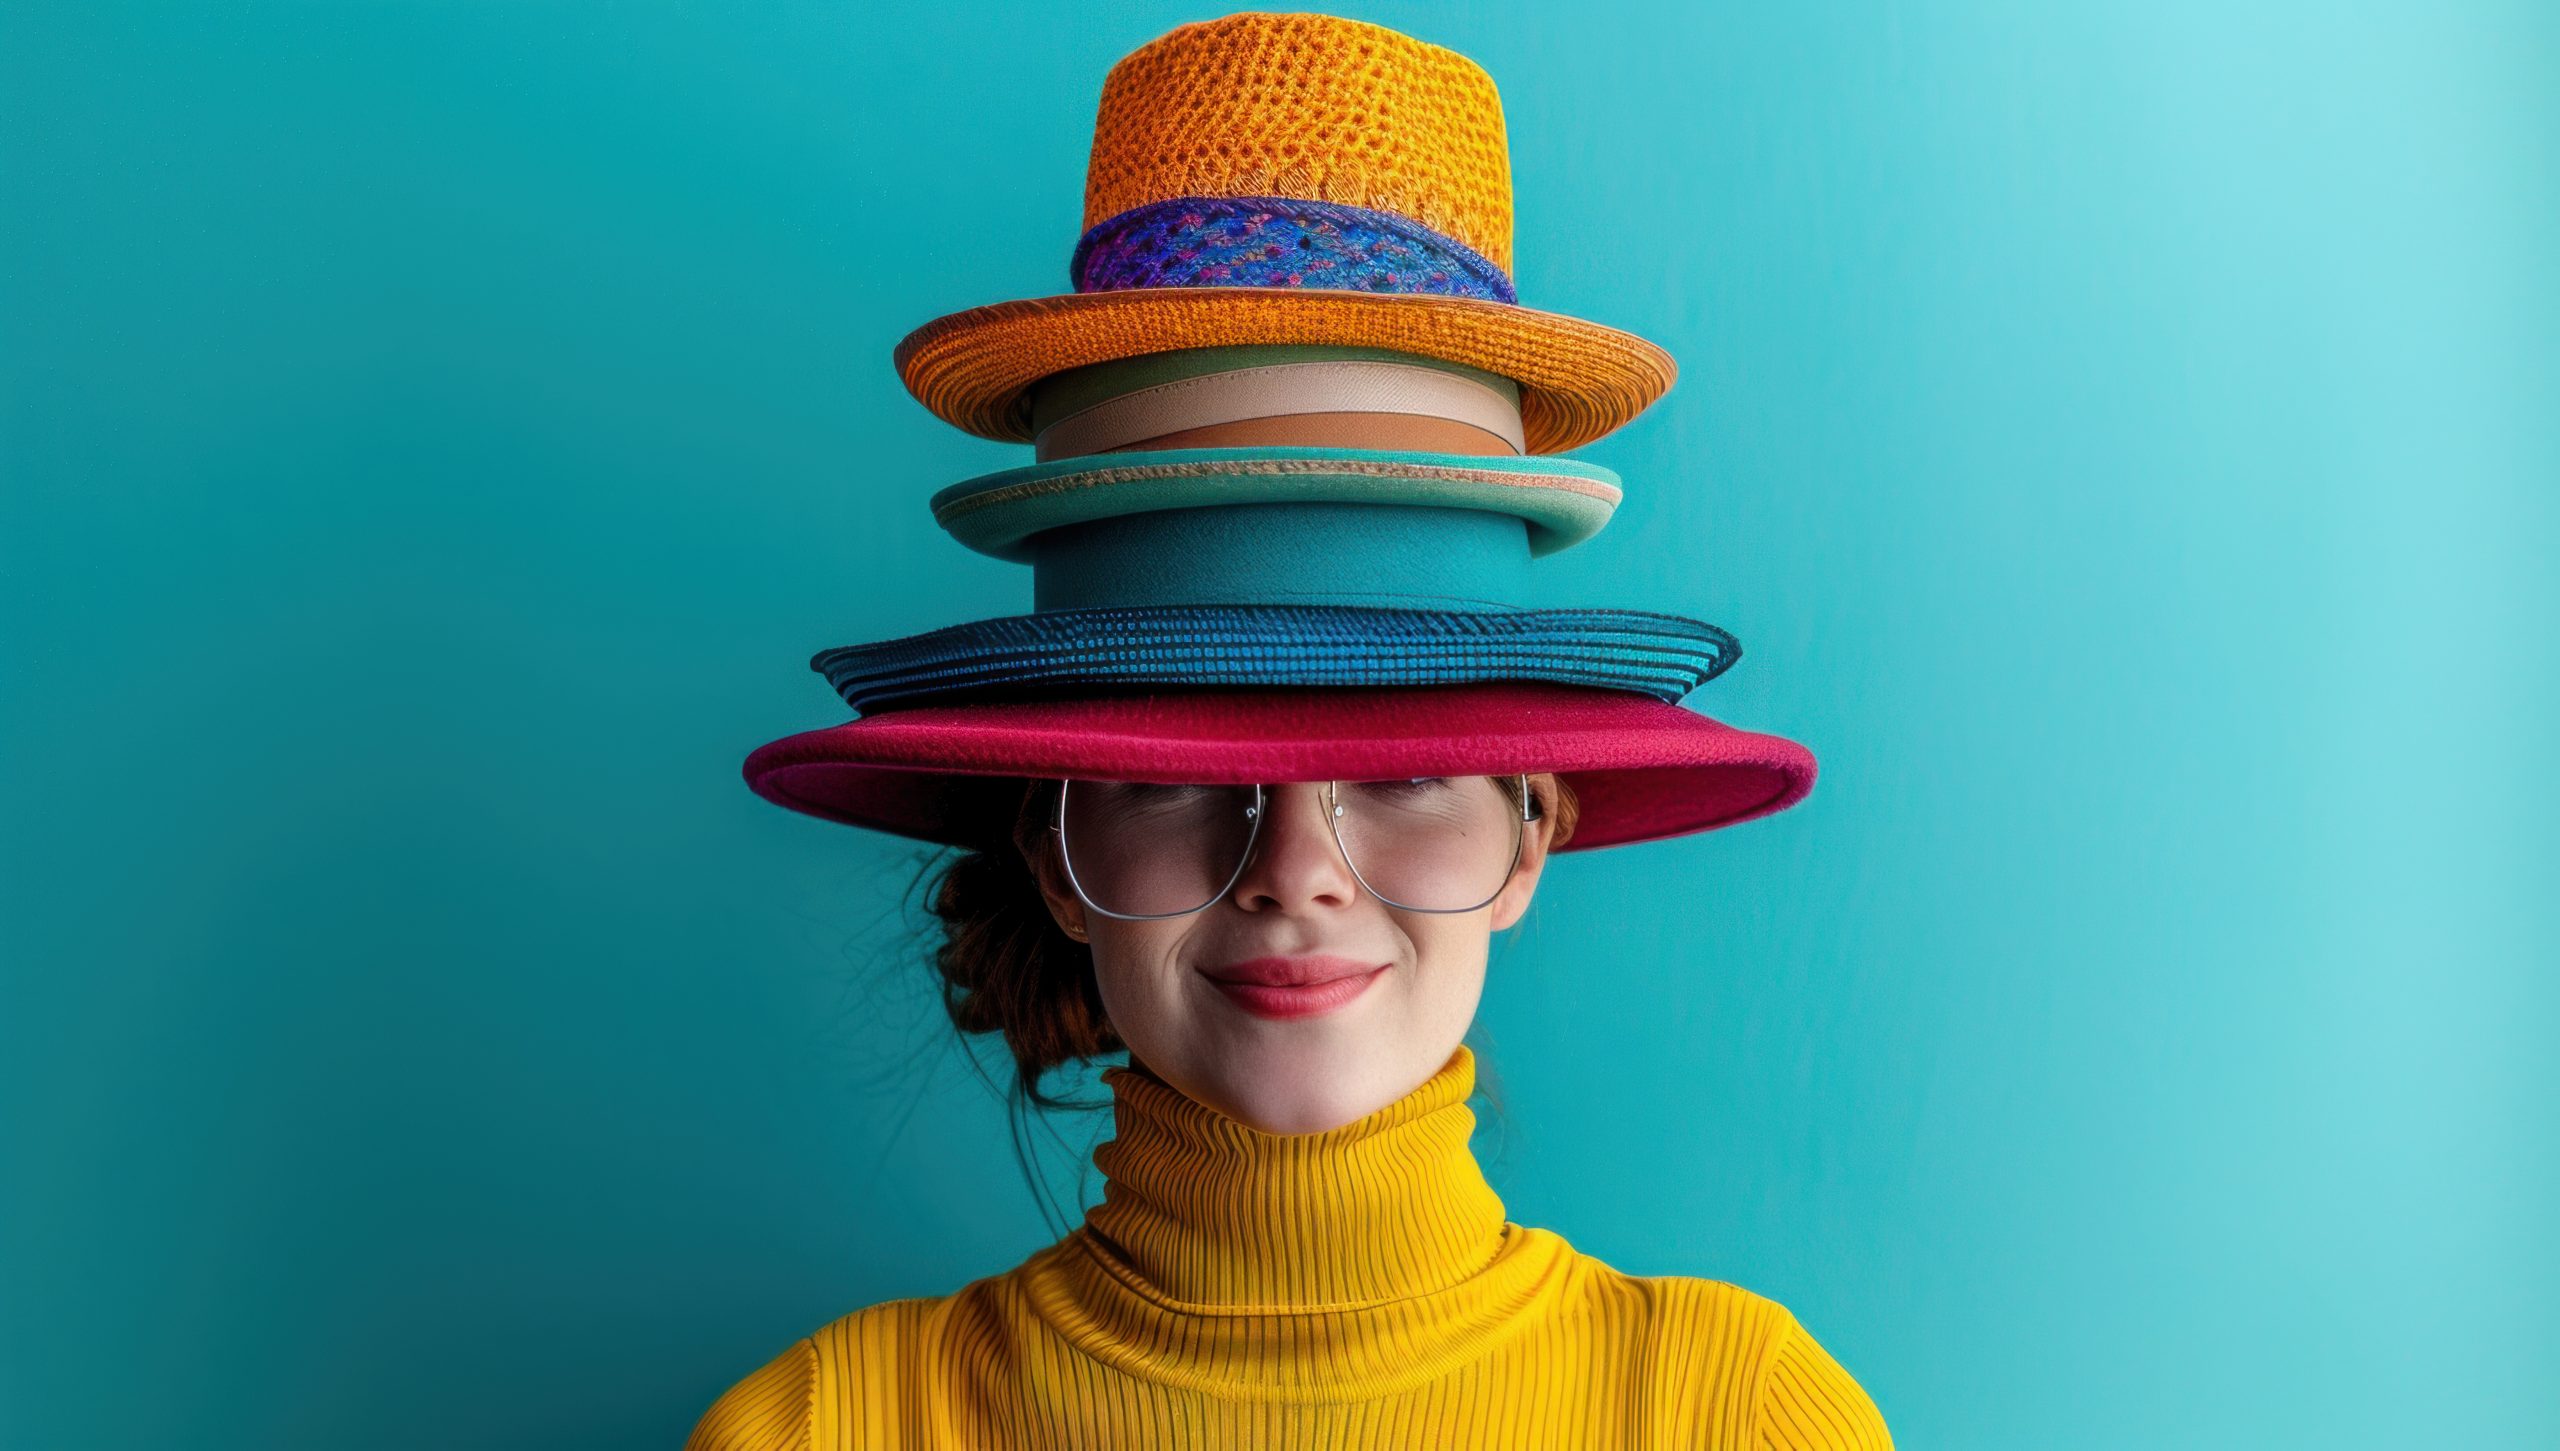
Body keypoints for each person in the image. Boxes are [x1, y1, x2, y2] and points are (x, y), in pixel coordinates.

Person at [690, 12, 1894, 1446]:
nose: (1295, 870)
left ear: (1533, 835)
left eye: (1407, 768)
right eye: (1176, 782)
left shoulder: (1731, 1414)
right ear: (1054, 849)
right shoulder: (836, 1427)